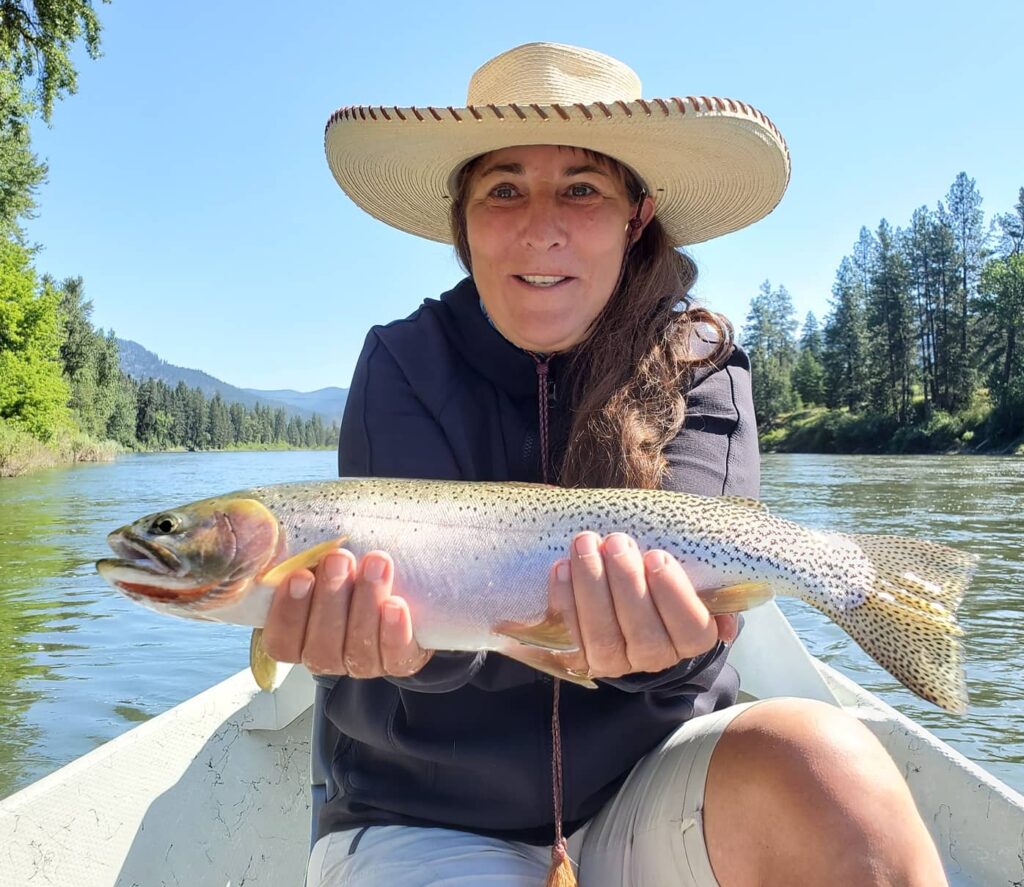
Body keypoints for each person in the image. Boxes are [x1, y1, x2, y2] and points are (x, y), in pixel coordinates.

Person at [263, 43, 948, 886]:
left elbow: (705, 621)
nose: (540, 225)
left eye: (582, 189)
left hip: (648, 781)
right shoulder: (404, 361)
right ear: (463, 222)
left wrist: (671, 647)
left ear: (638, 215)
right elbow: (431, 606)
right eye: (502, 189)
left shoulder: (702, 363)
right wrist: (404, 649)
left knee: (839, 775)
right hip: (424, 810)